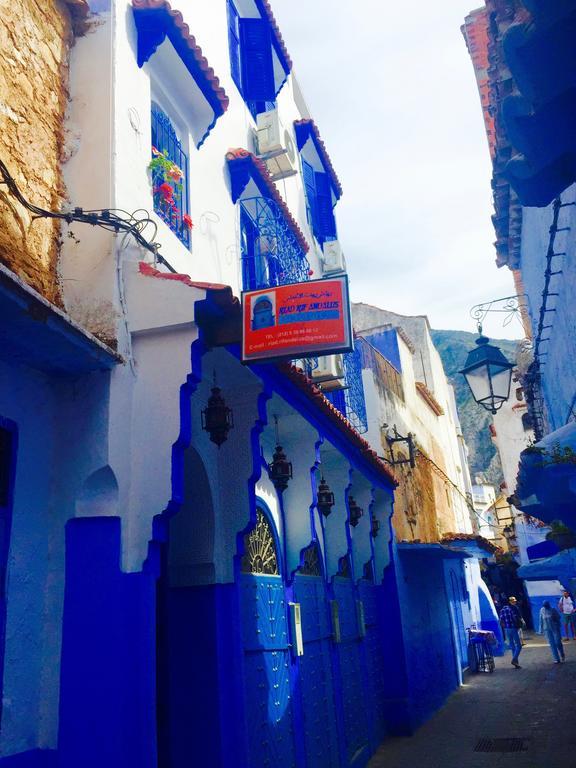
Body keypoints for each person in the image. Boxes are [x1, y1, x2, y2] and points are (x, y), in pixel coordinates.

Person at [499, 597, 523, 668]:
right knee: (519, 645)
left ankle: (516, 664)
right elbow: (514, 618)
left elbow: (501, 621)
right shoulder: (510, 609)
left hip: (506, 629)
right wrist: (517, 625)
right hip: (513, 628)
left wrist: (505, 627)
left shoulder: (502, 610)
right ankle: (514, 659)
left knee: (512, 646)